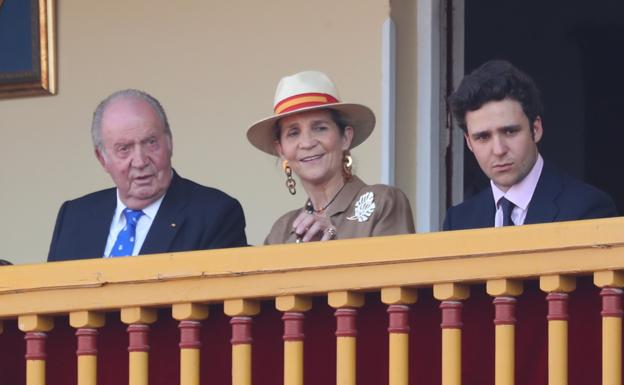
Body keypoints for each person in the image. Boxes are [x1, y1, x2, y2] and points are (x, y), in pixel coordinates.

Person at [48, 89, 247, 261]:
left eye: (150, 142)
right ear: (102, 159)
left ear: (170, 143)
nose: (141, 161)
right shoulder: (74, 216)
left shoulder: (215, 213)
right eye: (124, 149)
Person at [444, 60, 617, 230]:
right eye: (483, 137)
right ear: (469, 142)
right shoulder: (459, 221)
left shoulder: (587, 208)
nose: (499, 150)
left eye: (510, 132)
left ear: (536, 129)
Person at [247, 70, 415, 244]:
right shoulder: (281, 231)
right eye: (293, 133)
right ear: (281, 149)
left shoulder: (382, 202)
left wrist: (333, 240)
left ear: (345, 137)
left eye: (320, 128)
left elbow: (395, 271)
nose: (307, 143)